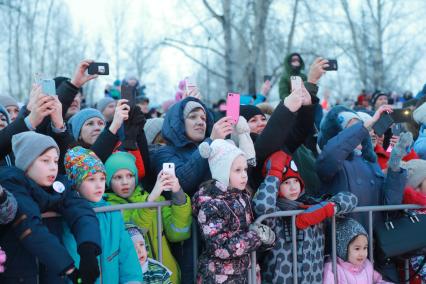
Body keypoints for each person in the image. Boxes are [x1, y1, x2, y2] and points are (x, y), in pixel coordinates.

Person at [0, 132, 101, 283]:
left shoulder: (59, 186)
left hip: (53, 273)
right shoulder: (12, 183)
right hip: (19, 273)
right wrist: (70, 269)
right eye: (45, 161)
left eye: (55, 161)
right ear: (27, 163)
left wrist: (88, 249)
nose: (53, 167)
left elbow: (81, 212)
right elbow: (30, 227)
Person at [253, 150, 358, 283]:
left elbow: (351, 198)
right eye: (286, 183)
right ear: (277, 186)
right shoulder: (275, 214)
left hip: (312, 279)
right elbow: (262, 206)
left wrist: (325, 210)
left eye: (295, 181)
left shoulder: (311, 204)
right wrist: (274, 172)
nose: (292, 187)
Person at [193, 139, 275, 283]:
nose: (244, 175)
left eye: (245, 169)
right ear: (222, 171)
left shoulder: (243, 197)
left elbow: (248, 234)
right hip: (219, 276)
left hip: (245, 274)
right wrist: (255, 237)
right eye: (237, 170)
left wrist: (265, 239)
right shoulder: (210, 204)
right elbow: (220, 247)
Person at [105, 151, 191, 284]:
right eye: (117, 177)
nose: (125, 182)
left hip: (165, 276)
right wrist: (150, 200)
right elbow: (135, 230)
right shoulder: (108, 207)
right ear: (109, 181)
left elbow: (178, 233)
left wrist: (177, 192)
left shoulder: (157, 199)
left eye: (130, 175)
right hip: (135, 278)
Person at [63, 146, 143, 284]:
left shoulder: (112, 212)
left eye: (102, 178)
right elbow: (72, 258)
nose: (99, 185)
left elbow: (126, 254)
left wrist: (132, 280)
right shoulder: (69, 216)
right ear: (76, 183)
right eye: (91, 179)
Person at [323, 218, 391, 284]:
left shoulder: (367, 265)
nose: (362, 254)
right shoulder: (333, 269)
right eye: (357, 249)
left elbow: (377, 280)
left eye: (365, 248)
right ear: (343, 248)